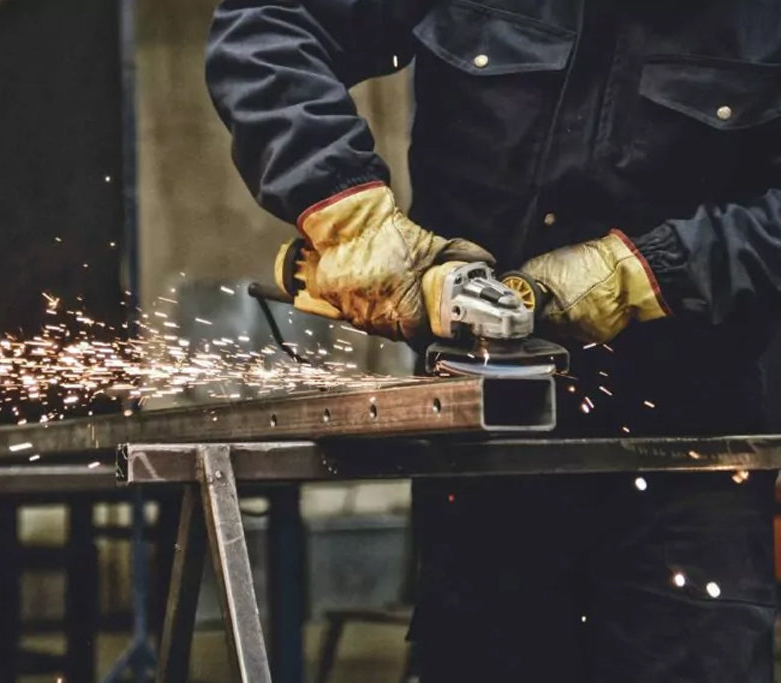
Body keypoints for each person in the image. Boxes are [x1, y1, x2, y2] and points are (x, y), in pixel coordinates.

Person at [205, 1, 781, 681]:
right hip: (480, 458)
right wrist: (348, 210)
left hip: (690, 460)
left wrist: (648, 270)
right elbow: (269, 23)